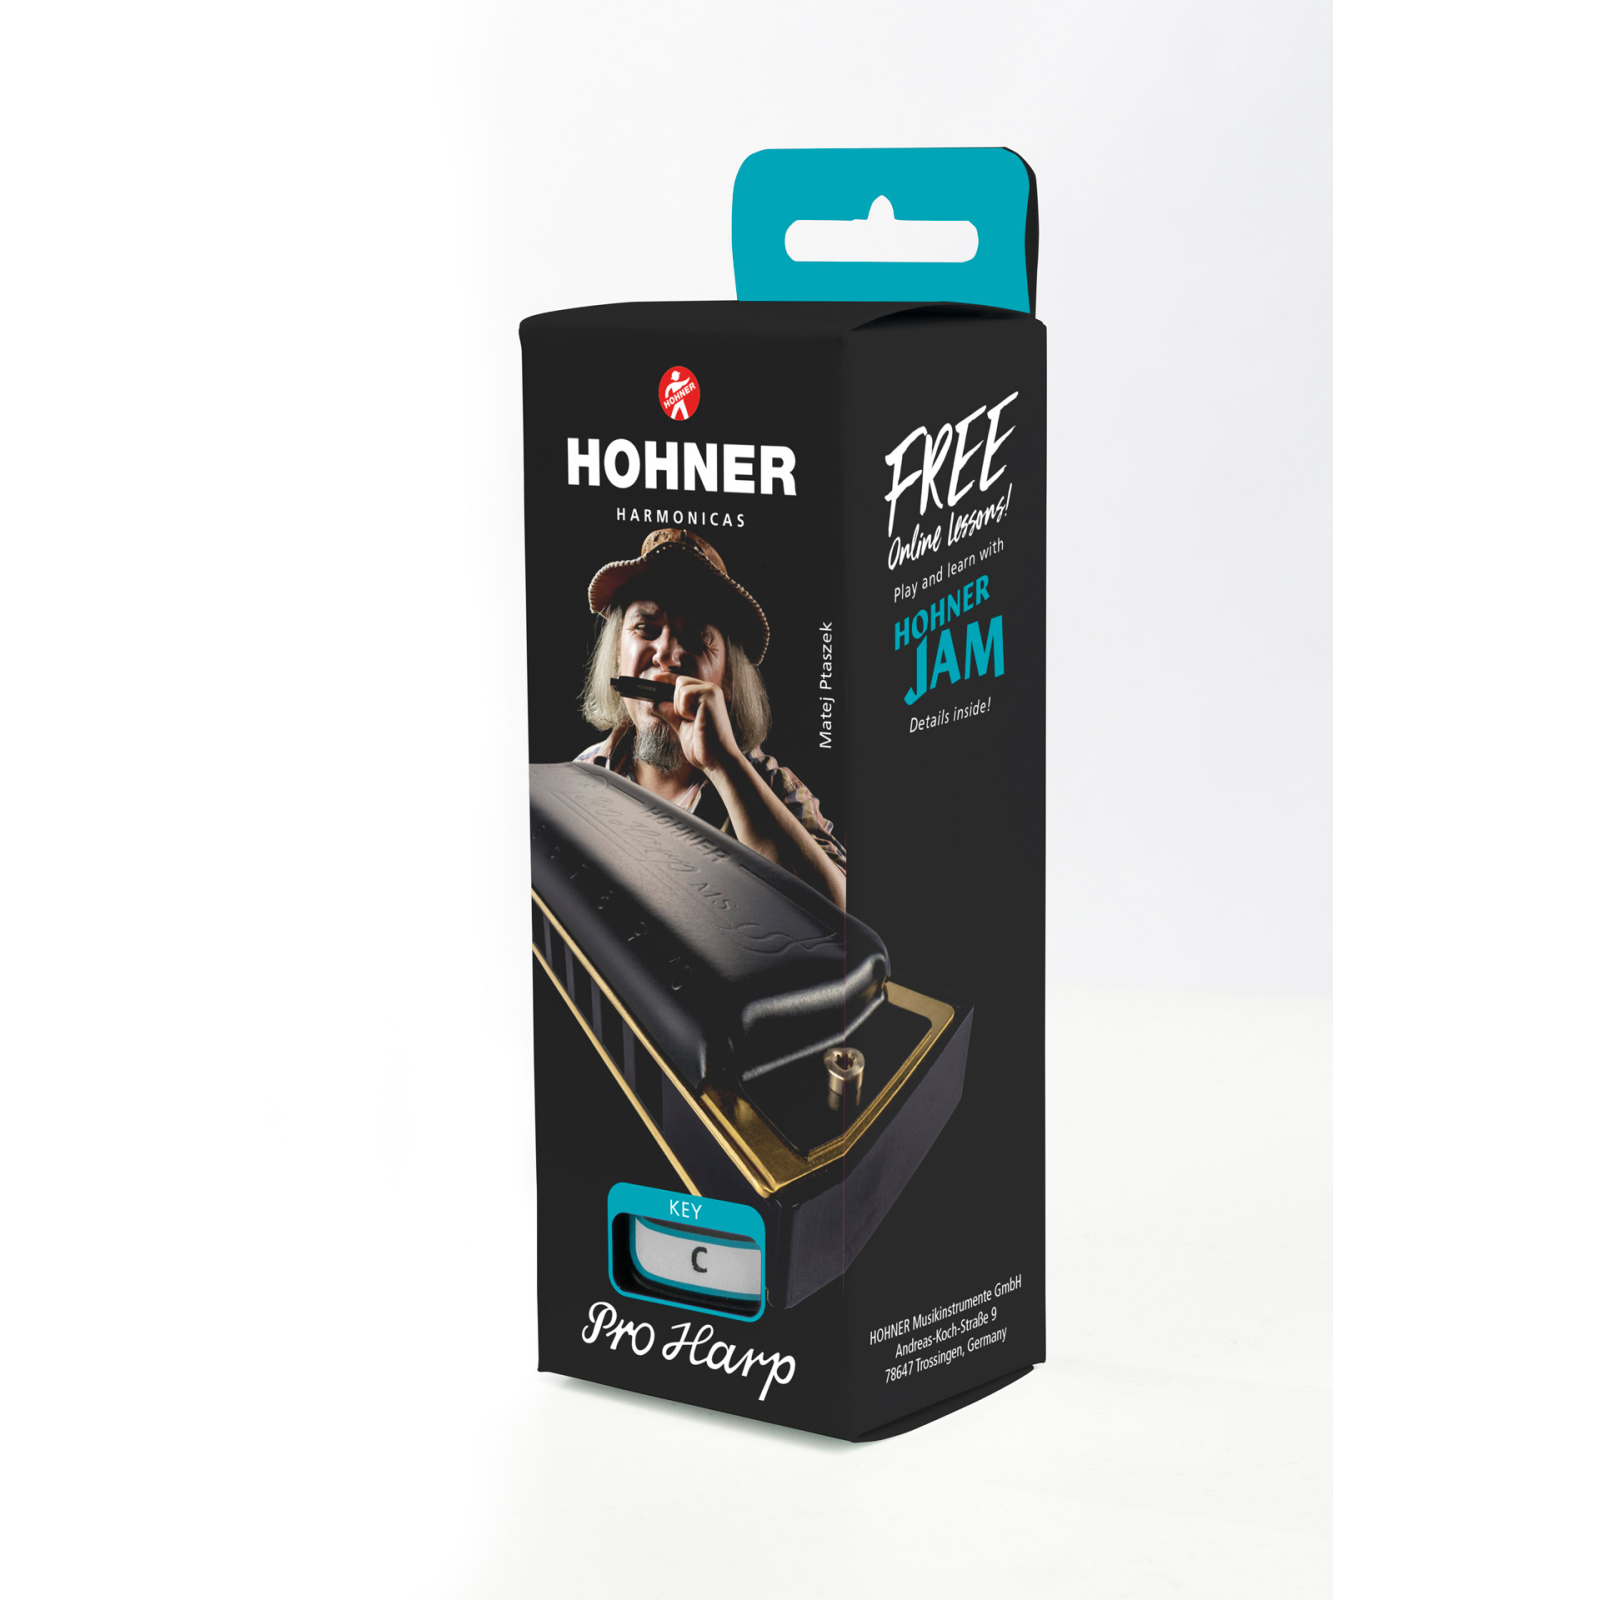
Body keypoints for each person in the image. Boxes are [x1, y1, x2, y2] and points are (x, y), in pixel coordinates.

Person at [574, 528, 847, 909]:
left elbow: (845, 922)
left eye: (695, 637)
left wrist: (724, 765)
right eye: (646, 629)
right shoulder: (579, 780)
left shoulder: (772, 788)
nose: (666, 655)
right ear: (620, 656)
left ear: (728, 679)